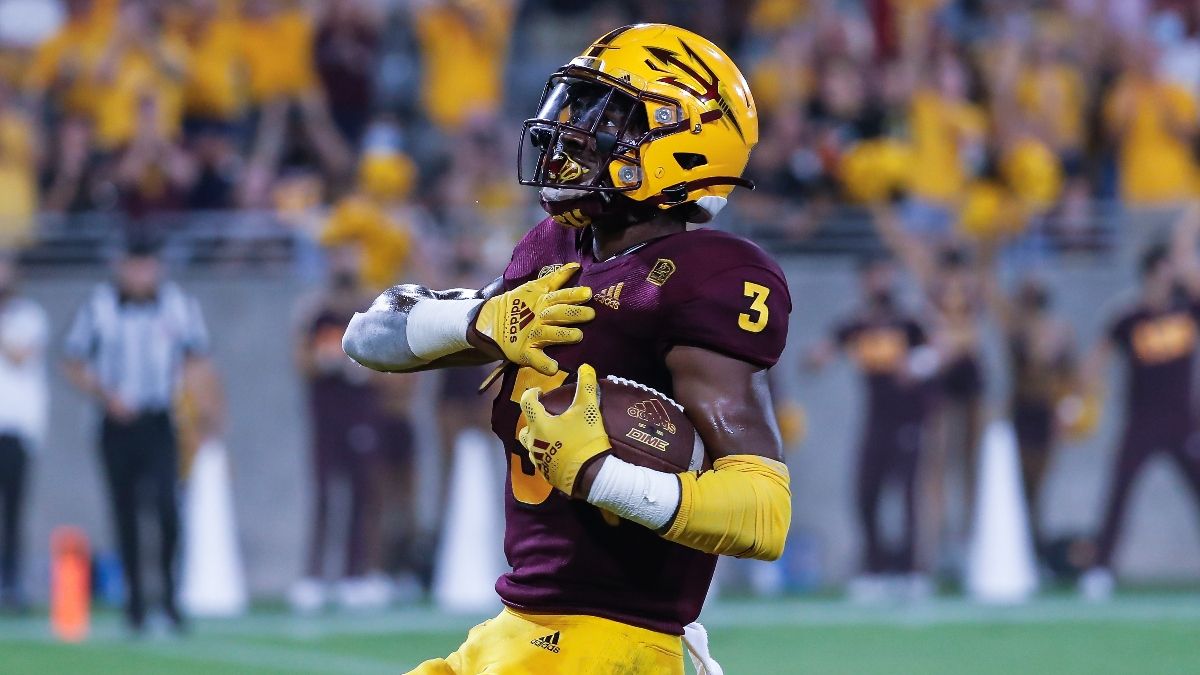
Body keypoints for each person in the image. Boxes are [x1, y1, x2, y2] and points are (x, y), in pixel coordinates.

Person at [343, 25, 791, 674]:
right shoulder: (553, 249)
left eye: (606, 114)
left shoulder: (706, 277)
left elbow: (765, 514)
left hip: (616, 640)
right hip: (520, 627)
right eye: (574, 105)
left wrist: (602, 476)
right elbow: (367, 337)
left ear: (681, 143)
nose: (570, 131)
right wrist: (481, 319)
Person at [62, 239, 209, 633]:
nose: (141, 275)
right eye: (134, 266)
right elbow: (73, 362)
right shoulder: (99, 307)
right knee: (125, 512)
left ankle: (170, 599)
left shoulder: (179, 305)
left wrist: (193, 412)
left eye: (147, 266)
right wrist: (106, 396)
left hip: (160, 420)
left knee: (167, 509)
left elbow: (196, 359)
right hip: (116, 424)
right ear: (121, 267)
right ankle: (135, 605)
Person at [1079, 205, 1200, 600]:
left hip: (1184, 421)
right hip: (1141, 421)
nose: (1173, 278)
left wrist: (1187, 225)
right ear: (1151, 274)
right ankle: (1100, 568)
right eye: (1166, 271)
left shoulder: (1188, 310)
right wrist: (1087, 398)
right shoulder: (1128, 317)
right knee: (1119, 494)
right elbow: (1095, 359)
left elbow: (1189, 269)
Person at [806, 253, 933, 599]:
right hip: (876, 418)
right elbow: (824, 351)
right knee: (866, 492)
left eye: (882, 274)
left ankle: (911, 571)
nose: (878, 282)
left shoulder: (907, 321)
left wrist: (915, 366)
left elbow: (933, 353)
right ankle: (873, 567)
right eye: (871, 275)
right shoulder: (859, 322)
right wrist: (817, 358)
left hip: (907, 417)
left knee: (906, 493)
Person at [872, 206, 988, 577]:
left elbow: (971, 335)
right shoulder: (931, 277)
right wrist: (877, 200)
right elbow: (903, 244)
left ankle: (968, 542)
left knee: (970, 465)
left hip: (967, 375)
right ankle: (933, 549)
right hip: (942, 376)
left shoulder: (977, 280)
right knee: (934, 463)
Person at [290, 250, 388, 612]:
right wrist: (323, 361)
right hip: (327, 413)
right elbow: (301, 361)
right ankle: (315, 576)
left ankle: (357, 574)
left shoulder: (372, 310)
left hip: (361, 412)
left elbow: (389, 364)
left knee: (364, 491)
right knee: (324, 493)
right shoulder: (314, 311)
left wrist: (364, 369)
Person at [981, 251, 1078, 560]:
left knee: (1037, 486)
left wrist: (1068, 409)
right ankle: (1021, 549)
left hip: (1043, 410)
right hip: (1020, 410)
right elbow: (990, 293)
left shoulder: (1060, 330)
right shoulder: (1016, 326)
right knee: (1018, 486)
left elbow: (1070, 378)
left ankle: (1034, 550)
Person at [0, 254, 48, 611]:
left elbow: (19, 356)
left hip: (15, 428)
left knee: (13, 511)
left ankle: (12, 583)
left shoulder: (29, 316)